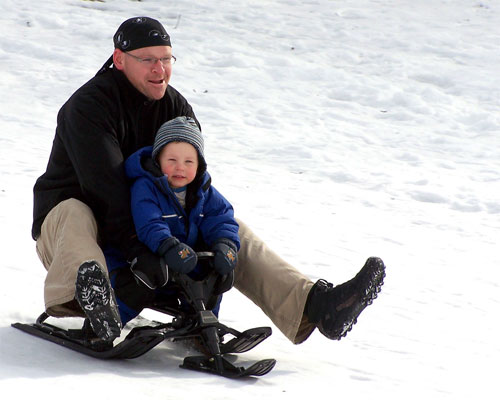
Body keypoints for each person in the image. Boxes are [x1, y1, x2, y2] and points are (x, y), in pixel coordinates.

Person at [32, 16, 385, 344]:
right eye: (147, 60)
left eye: (167, 59)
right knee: (77, 211)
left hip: (151, 227)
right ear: (119, 59)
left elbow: (195, 184)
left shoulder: (176, 110)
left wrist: (221, 248)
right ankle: (97, 299)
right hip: (73, 231)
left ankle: (316, 305)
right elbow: (106, 191)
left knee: (227, 226)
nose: (160, 70)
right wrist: (142, 252)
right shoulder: (88, 107)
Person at [108, 115, 240, 325]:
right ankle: (111, 321)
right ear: (158, 160)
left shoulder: (203, 190)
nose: (180, 167)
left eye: (189, 162)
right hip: (149, 254)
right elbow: (149, 223)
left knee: (213, 274)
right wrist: (168, 246)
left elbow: (221, 217)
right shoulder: (146, 187)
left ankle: (201, 323)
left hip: (185, 258)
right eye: (172, 161)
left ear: (199, 164)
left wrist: (225, 244)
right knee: (143, 279)